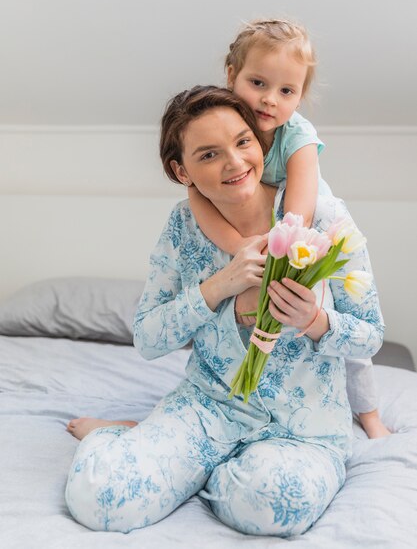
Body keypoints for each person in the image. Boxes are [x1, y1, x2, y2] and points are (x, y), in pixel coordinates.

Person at [65, 87, 384, 536]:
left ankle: (177, 458)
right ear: (182, 170)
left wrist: (314, 321)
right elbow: (148, 338)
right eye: (209, 154)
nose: (234, 163)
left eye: (242, 142)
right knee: (99, 497)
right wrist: (217, 289)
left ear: (259, 141)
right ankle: (127, 441)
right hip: (206, 408)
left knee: (272, 505)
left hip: (303, 429)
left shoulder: (324, 215)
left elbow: (371, 335)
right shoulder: (182, 225)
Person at [187, 19, 389, 439]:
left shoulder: (298, 135)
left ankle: (369, 415)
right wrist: (242, 249)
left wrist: (278, 261)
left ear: (299, 96)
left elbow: (299, 216)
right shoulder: (222, 123)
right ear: (231, 76)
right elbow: (198, 196)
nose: (269, 100)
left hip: (303, 229)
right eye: (258, 82)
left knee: (342, 330)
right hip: (257, 237)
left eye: (286, 91)